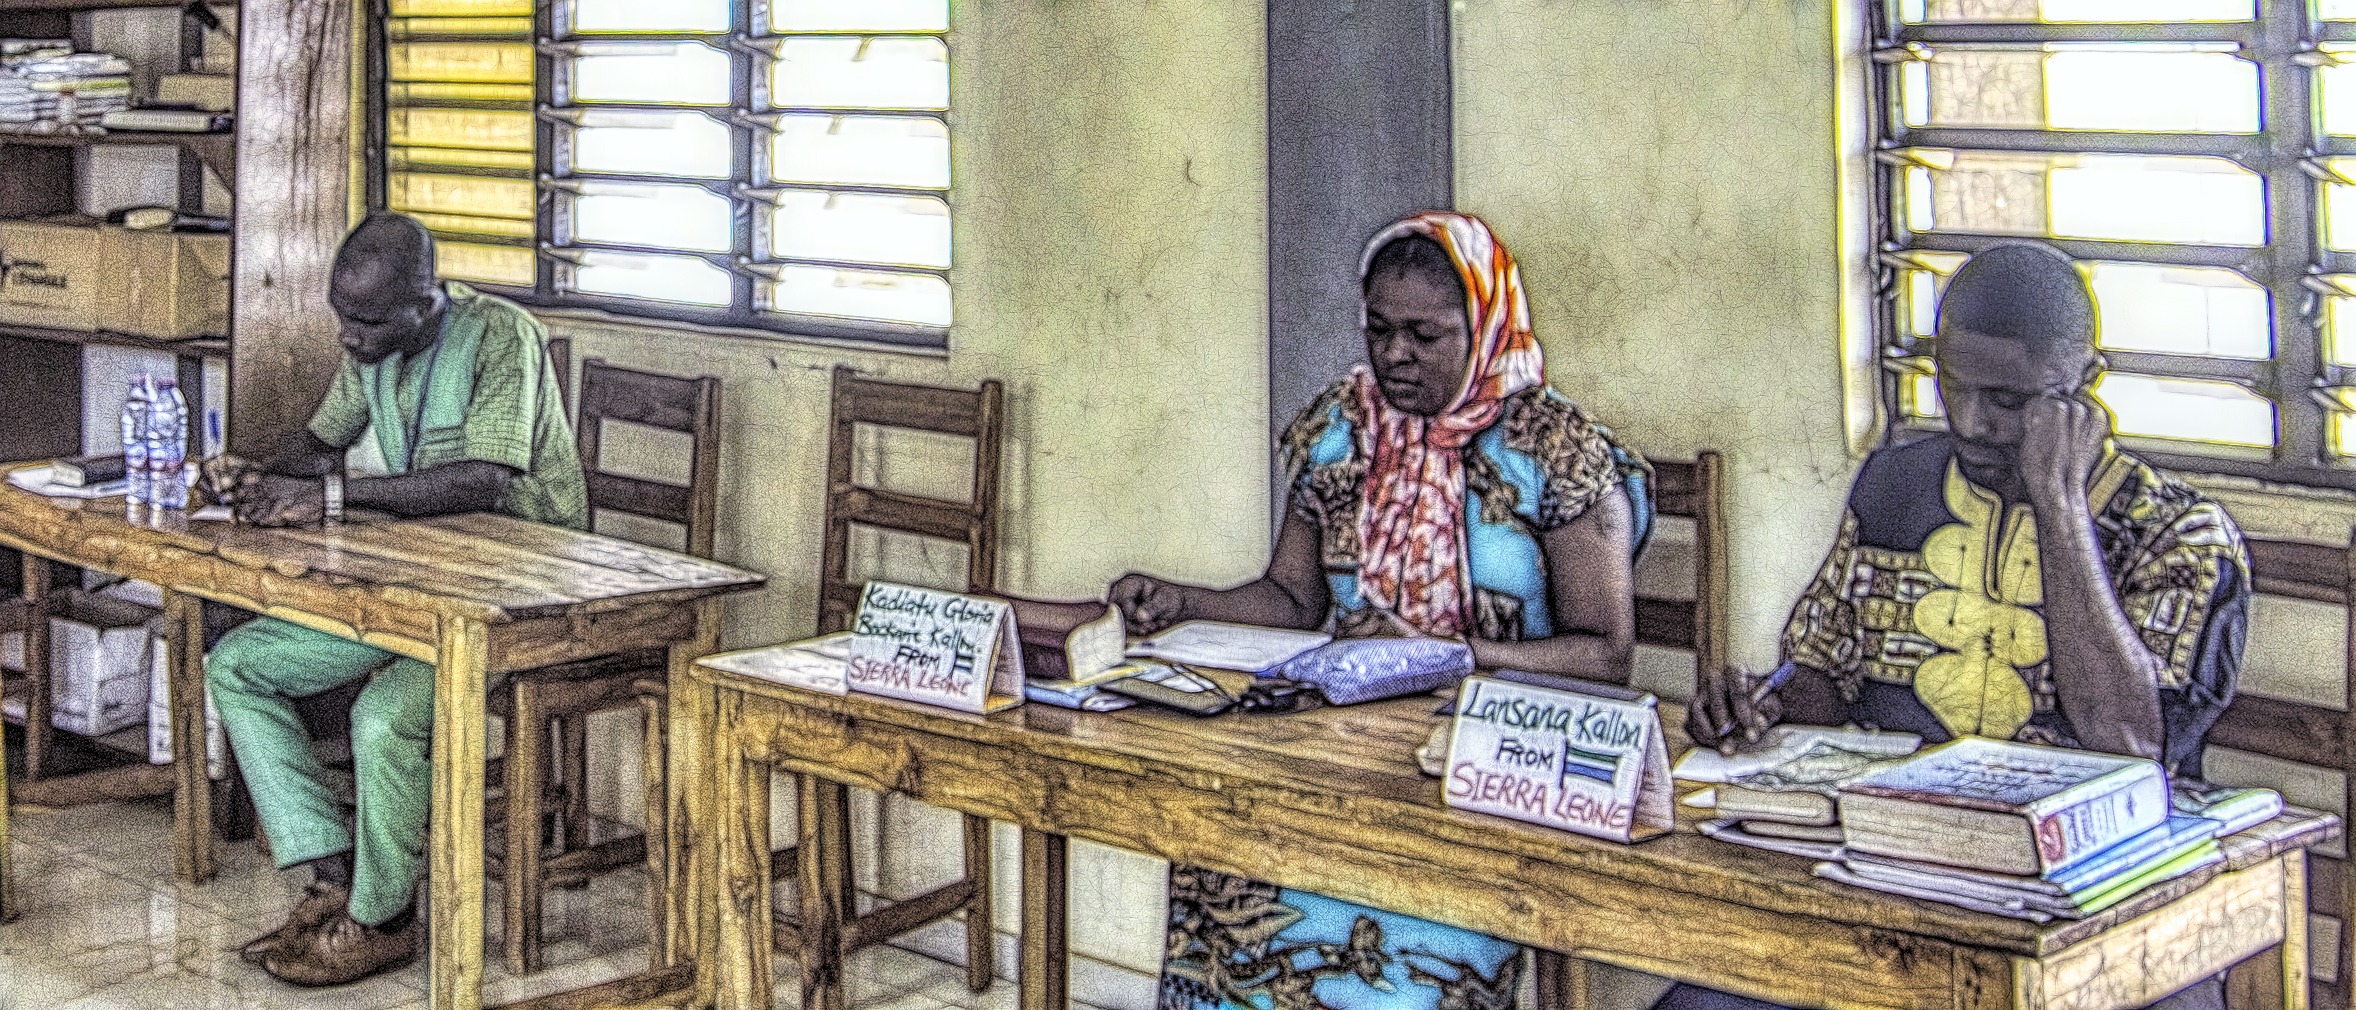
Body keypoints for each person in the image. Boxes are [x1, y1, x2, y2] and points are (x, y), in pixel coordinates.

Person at [1679, 240, 2249, 1010]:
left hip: (2091, 918)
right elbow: (1824, 672)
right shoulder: (1894, 485)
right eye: (1953, 385)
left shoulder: (2179, 534)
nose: (1974, 423)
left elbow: (2131, 742)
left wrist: (2060, 506)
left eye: (2012, 402)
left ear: (2085, 388)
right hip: (1892, 888)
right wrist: (1765, 703)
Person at [1112, 211, 1653, 1010]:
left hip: (1484, 759)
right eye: (1378, 330)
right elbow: (1294, 599)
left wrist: (1445, 653)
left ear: (1483, 324)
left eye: (1424, 335)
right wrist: (1182, 600)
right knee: (1222, 845)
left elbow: (1606, 653)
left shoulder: (1552, 446)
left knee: (1411, 935)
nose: (1395, 354)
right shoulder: (1341, 429)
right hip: (1341, 740)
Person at [204, 213, 587, 987]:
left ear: (426, 301)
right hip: (420, 586)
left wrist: (329, 500)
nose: (349, 339)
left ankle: (385, 921)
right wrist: (255, 475)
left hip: (521, 596)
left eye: (369, 323)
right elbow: (320, 444)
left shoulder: (500, 337)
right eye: (342, 319)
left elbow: (484, 479)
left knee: (383, 717)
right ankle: (336, 880)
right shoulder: (372, 347)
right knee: (241, 662)